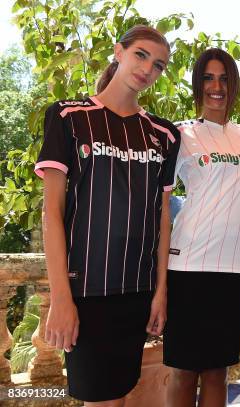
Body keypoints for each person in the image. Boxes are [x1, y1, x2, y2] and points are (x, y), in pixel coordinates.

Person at [36, 25, 180, 406]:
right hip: (85, 292)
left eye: (159, 65)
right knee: (99, 399)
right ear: (119, 52)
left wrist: (160, 292)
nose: (148, 68)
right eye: (141, 55)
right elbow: (52, 213)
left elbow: (162, 219)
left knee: (118, 396)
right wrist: (60, 298)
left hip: (136, 293)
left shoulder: (164, 135)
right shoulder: (68, 117)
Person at [162, 48, 240, 407]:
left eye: (223, 78)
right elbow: (161, 203)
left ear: (233, 85)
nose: (216, 86)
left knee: (218, 371)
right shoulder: (180, 134)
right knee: (184, 371)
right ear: (197, 84)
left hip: (235, 270)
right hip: (189, 266)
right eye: (208, 77)